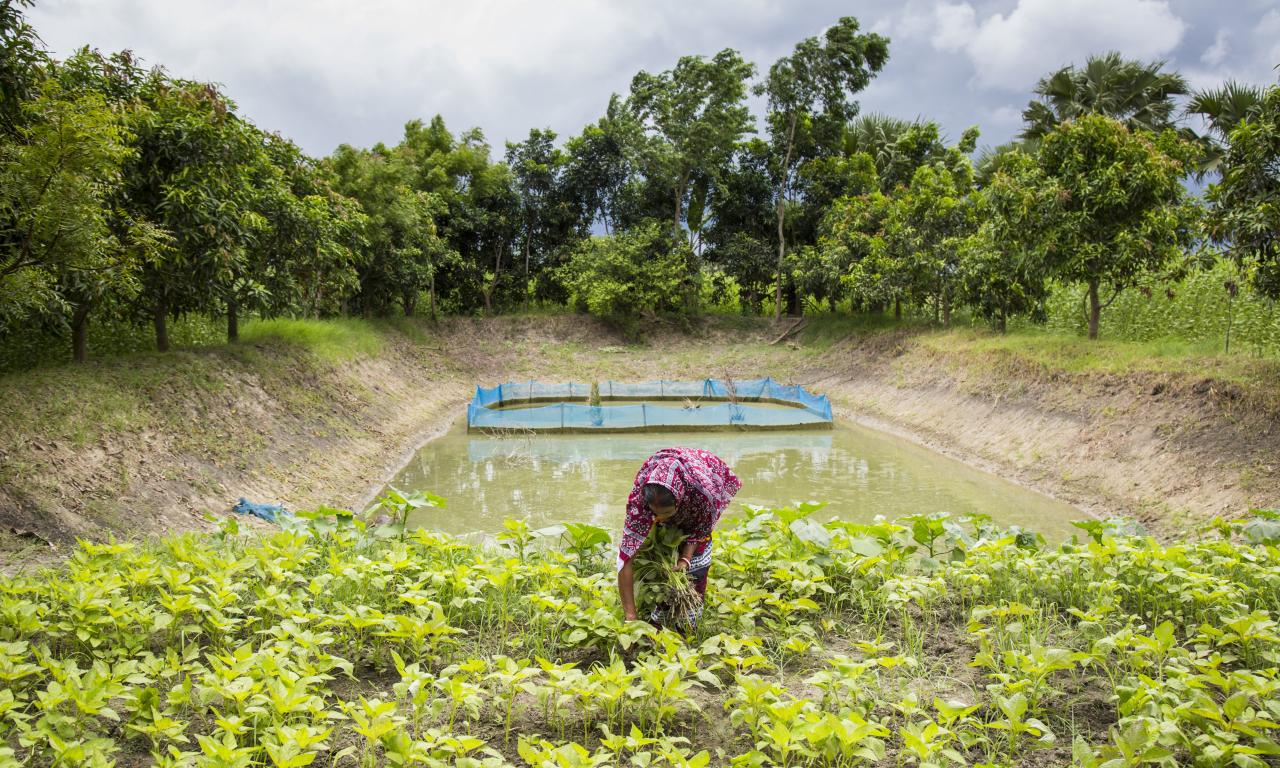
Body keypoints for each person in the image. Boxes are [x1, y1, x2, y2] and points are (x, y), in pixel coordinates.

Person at [616, 447, 741, 628]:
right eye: (654, 512)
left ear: (679, 501)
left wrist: (685, 559)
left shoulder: (704, 494)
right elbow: (626, 557)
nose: (661, 518)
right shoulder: (640, 501)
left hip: (703, 478)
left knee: (697, 562)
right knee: (659, 557)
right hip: (670, 490)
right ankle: (659, 620)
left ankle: (688, 624)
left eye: (666, 513)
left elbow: (701, 528)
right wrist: (630, 615)